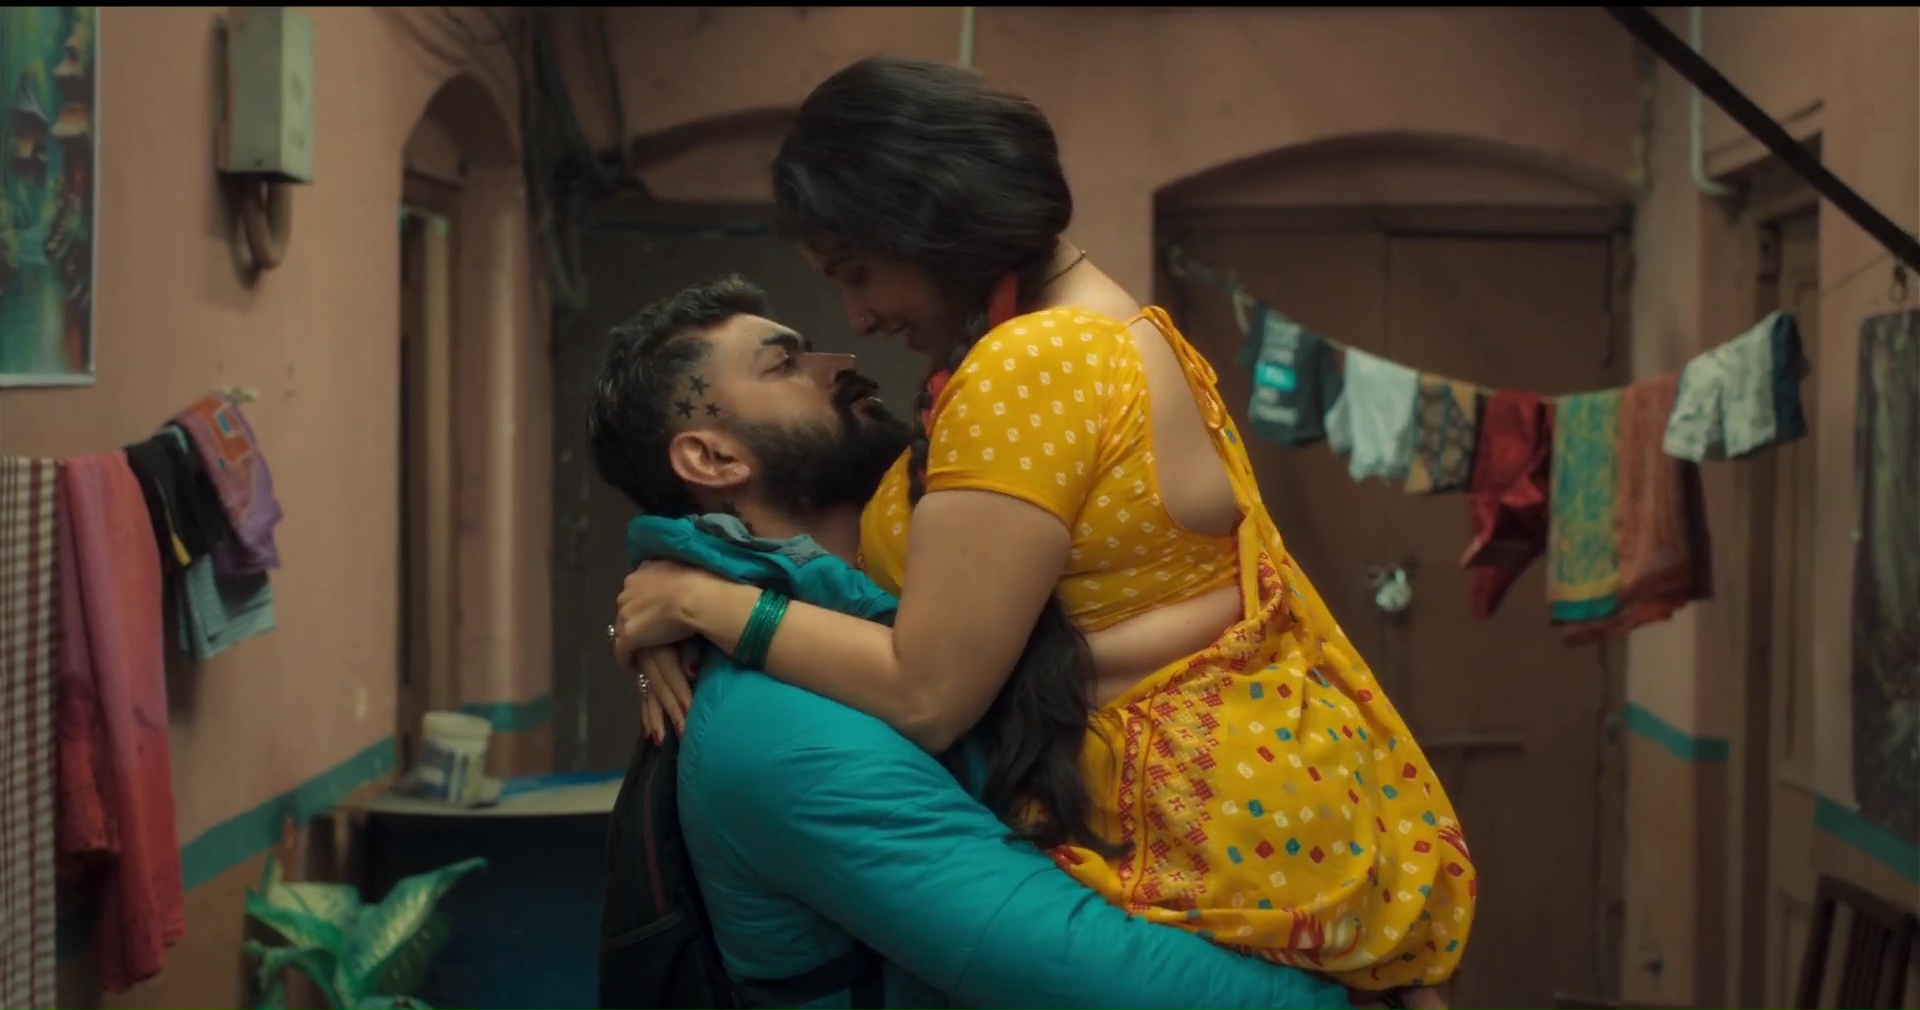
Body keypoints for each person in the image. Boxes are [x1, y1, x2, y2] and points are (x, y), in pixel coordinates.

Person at [610, 57, 1476, 1000]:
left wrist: (701, 600)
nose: (858, 319)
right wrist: (672, 580)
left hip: (1203, 841)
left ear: (925, 223)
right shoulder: (1101, 331)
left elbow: (928, 691)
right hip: (1257, 810)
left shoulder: (1033, 361)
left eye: (858, 275)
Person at [585, 276, 1347, 1010]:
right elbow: (1078, 969)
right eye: (784, 365)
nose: (841, 363)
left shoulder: (898, 601)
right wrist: (1357, 1002)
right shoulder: (776, 727)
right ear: (713, 459)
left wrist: (690, 590)